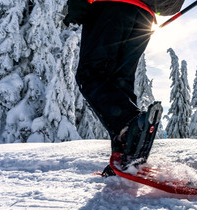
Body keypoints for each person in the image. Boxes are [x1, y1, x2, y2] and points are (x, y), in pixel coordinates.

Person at [63, 0, 179, 177]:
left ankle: (133, 126)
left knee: (91, 75)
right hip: (143, 16)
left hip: (109, 7)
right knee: (119, 84)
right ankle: (124, 159)